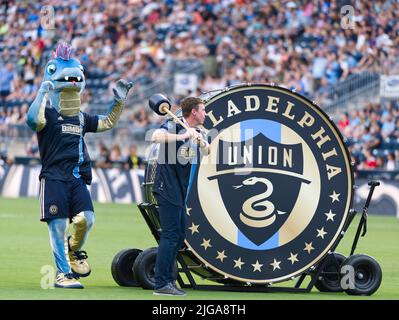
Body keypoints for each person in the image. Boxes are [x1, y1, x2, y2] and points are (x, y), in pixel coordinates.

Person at [26, 43, 133, 289]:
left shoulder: (82, 118)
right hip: (53, 178)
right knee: (58, 227)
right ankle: (63, 275)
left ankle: (73, 252)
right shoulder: (49, 115)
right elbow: (32, 120)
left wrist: (118, 102)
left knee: (88, 219)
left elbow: (106, 123)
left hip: (76, 179)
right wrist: (42, 92)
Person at [151, 97, 210, 296]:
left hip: (179, 189)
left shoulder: (198, 131)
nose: (205, 114)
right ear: (193, 112)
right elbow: (156, 137)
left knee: (180, 235)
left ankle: (169, 279)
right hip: (166, 186)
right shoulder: (173, 125)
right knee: (170, 234)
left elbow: (208, 150)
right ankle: (161, 284)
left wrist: (200, 140)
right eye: (203, 110)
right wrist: (183, 136)